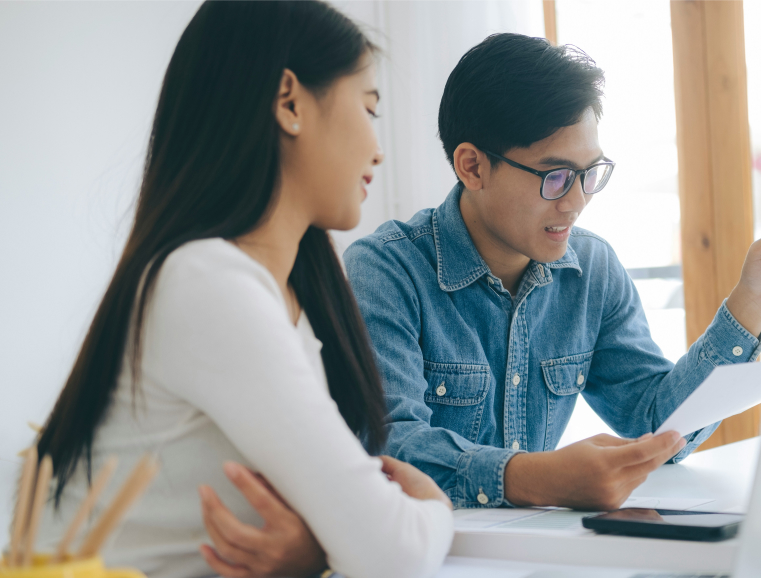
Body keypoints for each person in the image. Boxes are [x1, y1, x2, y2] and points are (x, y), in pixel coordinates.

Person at [32, 3, 453, 578]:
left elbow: (346, 524)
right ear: (290, 102)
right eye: (369, 108)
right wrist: (435, 510)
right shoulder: (206, 283)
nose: (378, 149)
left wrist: (316, 549)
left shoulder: (281, 297)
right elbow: (392, 551)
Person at [338, 33, 761, 511]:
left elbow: (654, 423)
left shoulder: (591, 269)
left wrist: (751, 305)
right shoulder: (386, 270)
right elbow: (389, 447)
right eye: (555, 177)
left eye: (589, 173)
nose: (577, 201)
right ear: (472, 167)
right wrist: (541, 477)